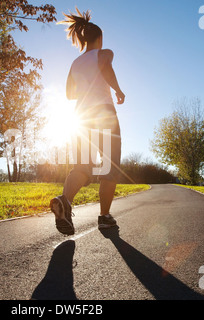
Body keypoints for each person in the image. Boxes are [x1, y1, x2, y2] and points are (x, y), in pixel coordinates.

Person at [50, 8, 125, 235]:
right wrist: (118, 91)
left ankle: (65, 200)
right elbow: (106, 67)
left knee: (82, 167)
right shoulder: (104, 53)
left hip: (81, 118)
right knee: (110, 167)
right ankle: (103, 217)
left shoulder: (75, 63)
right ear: (99, 38)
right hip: (103, 114)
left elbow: (69, 94)